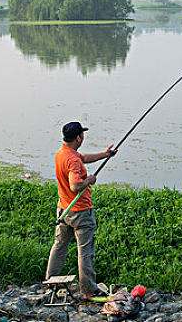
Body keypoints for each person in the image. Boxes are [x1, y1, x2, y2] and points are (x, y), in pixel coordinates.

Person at [45, 121, 116, 299]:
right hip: (80, 212)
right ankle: (88, 290)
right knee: (85, 251)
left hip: (64, 210)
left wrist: (105, 155)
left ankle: (50, 281)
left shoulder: (62, 154)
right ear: (78, 137)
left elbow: (82, 158)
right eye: (82, 134)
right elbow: (75, 185)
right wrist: (89, 180)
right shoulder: (73, 160)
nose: (83, 137)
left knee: (59, 246)